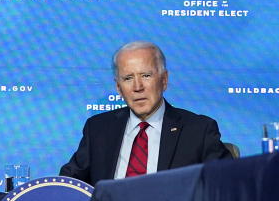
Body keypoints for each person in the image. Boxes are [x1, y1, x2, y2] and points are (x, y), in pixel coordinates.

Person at [59, 41, 231, 185]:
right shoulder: (98, 128)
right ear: (118, 88)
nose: (137, 87)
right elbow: (69, 184)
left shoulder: (198, 130)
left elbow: (229, 184)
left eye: (146, 76)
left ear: (164, 80)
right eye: (128, 78)